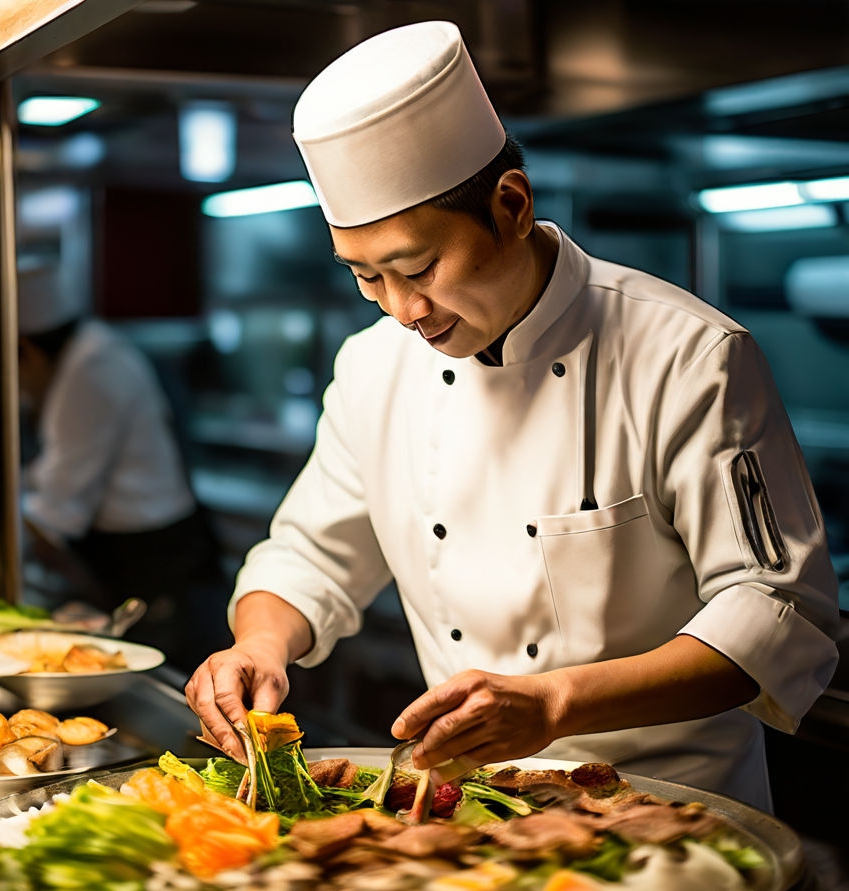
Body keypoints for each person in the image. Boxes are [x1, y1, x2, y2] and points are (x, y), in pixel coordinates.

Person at [184, 21, 840, 809]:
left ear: (512, 205)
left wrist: (558, 703)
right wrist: (259, 643)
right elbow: (311, 555)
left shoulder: (689, 354)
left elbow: (779, 612)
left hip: (670, 815)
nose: (401, 310)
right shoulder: (372, 367)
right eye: (364, 277)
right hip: (470, 813)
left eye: (417, 267)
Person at [0, 266, 225, 666]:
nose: (16, 387)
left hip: (155, 560)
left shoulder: (91, 372)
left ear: (25, 350)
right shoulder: (86, 356)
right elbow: (51, 472)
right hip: (131, 553)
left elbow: (54, 511)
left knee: (162, 680)